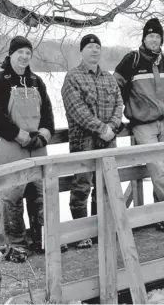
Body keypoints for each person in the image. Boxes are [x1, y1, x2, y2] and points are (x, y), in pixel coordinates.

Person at [0, 36, 56, 262]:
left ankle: (42, 239)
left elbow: (47, 112)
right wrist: (19, 136)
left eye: (28, 52)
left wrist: (45, 134)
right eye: (20, 52)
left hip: (36, 146)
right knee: (12, 196)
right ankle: (15, 245)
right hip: (10, 145)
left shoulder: (36, 81)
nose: (24, 56)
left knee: (40, 194)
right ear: (11, 54)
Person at [113, 18, 164, 233]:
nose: (154, 40)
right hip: (143, 124)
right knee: (157, 169)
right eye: (150, 36)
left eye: (157, 36)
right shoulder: (132, 60)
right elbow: (115, 86)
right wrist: (124, 108)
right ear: (144, 38)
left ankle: (161, 216)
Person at [62, 34, 123, 248]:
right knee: (82, 185)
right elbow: (77, 109)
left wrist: (113, 127)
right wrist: (101, 129)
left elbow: (119, 103)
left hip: (108, 140)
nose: (94, 50)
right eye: (90, 47)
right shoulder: (73, 77)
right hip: (84, 141)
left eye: (97, 47)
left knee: (105, 186)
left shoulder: (108, 78)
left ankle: (101, 228)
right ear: (82, 51)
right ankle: (81, 233)